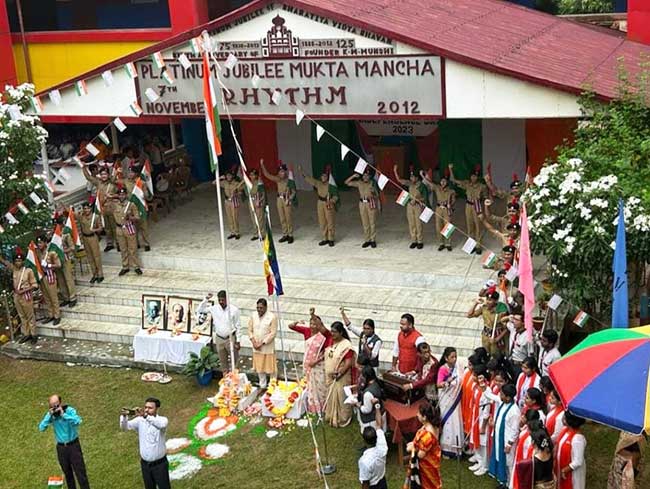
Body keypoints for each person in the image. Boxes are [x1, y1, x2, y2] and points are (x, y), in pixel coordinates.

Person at [39, 394, 90, 489]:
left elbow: (78, 421)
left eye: (56, 405)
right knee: (68, 474)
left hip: (73, 445)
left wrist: (64, 415)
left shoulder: (69, 410)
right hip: (61, 448)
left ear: (60, 403)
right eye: (52, 405)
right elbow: (41, 428)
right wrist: (49, 416)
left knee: (80, 473)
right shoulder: (51, 415)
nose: (55, 407)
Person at [120, 397, 170, 489]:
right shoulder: (140, 421)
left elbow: (161, 425)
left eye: (150, 408)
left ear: (157, 409)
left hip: (160, 465)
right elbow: (124, 427)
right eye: (146, 407)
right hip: (145, 465)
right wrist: (124, 416)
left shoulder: (162, 420)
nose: (147, 409)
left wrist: (146, 416)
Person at [289, 309, 332, 413]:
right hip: (308, 362)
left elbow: (326, 352)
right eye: (311, 323)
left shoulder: (324, 335)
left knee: (320, 386)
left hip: (319, 364)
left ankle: (323, 407)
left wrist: (316, 362)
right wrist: (297, 322)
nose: (313, 326)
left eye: (315, 324)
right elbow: (291, 326)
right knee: (310, 385)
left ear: (319, 325)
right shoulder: (306, 331)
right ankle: (313, 407)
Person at [197, 291, 241, 372]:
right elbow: (200, 310)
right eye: (219, 300)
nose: (221, 302)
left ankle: (235, 379)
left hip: (230, 338)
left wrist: (238, 341)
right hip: (219, 338)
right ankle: (226, 380)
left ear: (227, 299)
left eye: (223, 300)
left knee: (235, 361)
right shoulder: (214, 308)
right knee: (223, 361)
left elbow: (238, 326)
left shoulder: (234, 310)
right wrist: (206, 299)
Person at [0, 250, 38, 343]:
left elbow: (34, 285)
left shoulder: (28, 271)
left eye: (20, 261)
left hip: (26, 295)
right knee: (22, 315)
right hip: (17, 296)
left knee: (30, 315)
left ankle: (33, 334)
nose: (18, 262)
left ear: (23, 261)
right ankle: (26, 334)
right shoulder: (14, 270)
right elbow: (6, 263)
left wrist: (23, 290)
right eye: (16, 261)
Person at [449, 163, 486, 254]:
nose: (473, 178)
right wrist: (450, 169)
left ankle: (478, 246)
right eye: (472, 176)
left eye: (475, 176)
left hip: (477, 206)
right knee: (469, 226)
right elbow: (453, 180)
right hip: (468, 206)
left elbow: (486, 197)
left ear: (477, 177)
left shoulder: (482, 186)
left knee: (478, 226)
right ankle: (471, 245)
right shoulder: (467, 184)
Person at [489, 383, 521, 488]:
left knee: (509, 464)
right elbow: (492, 397)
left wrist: (509, 443)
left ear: (508, 397)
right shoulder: (503, 403)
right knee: (500, 460)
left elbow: (515, 430)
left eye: (502, 394)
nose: (500, 396)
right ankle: (504, 482)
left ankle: (511, 485)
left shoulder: (514, 411)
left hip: (507, 442)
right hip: (499, 439)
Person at [324, 321, 355, 427]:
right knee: (331, 396)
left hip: (341, 377)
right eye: (331, 331)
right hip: (330, 377)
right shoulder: (331, 341)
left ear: (341, 333)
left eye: (335, 332)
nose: (332, 333)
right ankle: (331, 416)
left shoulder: (346, 345)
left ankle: (343, 418)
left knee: (341, 398)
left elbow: (348, 363)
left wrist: (340, 373)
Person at [405, 401, 442, 489]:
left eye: (419, 413)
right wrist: (414, 444)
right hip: (429, 465)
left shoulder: (428, 435)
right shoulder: (428, 426)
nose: (417, 415)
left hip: (426, 468)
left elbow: (421, 455)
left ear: (424, 417)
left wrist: (412, 448)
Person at [300, 165, 338, 246]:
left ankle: (331, 238)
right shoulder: (318, 183)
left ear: (327, 177)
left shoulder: (331, 185)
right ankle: (325, 238)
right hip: (320, 203)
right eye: (322, 176)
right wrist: (302, 172)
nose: (323, 177)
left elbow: (336, 195)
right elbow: (309, 179)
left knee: (330, 220)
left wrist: (331, 201)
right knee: (322, 221)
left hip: (328, 202)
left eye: (325, 176)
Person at [82, 165, 117, 251]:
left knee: (114, 227)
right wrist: (83, 167)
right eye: (102, 174)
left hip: (113, 208)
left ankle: (119, 243)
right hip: (103, 208)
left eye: (105, 174)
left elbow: (120, 194)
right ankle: (110, 243)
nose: (103, 176)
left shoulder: (113, 182)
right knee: (107, 227)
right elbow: (89, 177)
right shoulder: (98, 182)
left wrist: (112, 196)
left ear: (108, 175)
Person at [393, 164, 428, 249]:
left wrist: (417, 199)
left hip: (417, 206)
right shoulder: (409, 183)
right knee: (411, 223)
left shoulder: (421, 186)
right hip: (409, 206)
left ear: (417, 178)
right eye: (411, 177)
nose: (411, 179)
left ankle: (420, 241)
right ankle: (414, 240)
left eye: (413, 177)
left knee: (418, 224)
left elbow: (425, 197)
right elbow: (399, 180)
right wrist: (395, 171)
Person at [261, 160, 296, 243]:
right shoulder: (277, 179)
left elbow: (294, 191)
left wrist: (290, 199)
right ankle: (285, 234)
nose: (281, 173)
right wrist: (262, 165)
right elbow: (267, 175)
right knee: (282, 217)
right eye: (280, 172)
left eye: (283, 172)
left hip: (286, 199)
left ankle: (290, 235)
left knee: (288, 217)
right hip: (279, 200)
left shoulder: (289, 180)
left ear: (285, 172)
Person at [436, 346, 462, 457]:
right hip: (446, 399)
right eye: (452, 357)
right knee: (447, 422)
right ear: (446, 358)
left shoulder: (458, 367)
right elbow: (438, 384)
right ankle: (447, 447)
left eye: (455, 356)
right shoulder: (443, 369)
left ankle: (456, 447)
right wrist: (448, 382)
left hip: (455, 400)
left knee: (456, 421)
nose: (455, 359)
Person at [421, 167, 456, 251]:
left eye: (444, 181)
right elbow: (429, 183)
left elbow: (454, 200)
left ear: (447, 182)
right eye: (441, 181)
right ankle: (441, 243)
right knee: (438, 226)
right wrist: (422, 175)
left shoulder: (451, 191)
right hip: (438, 208)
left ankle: (448, 243)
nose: (443, 182)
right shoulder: (437, 187)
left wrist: (450, 205)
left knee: (447, 226)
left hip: (446, 209)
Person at [345, 169, 380, 248]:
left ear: (369, 177)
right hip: (362, 203)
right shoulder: (359, 183)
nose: (365, 177)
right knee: (365, 222)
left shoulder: (372, 183)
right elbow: (346, 183)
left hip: (370, 203)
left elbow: (377, 196)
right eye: (364, 175)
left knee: (372, 222)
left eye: (367, 176)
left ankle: (373, 239)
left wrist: (373, 191)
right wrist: (353, 176)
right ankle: (367, 239)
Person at [112, 186, 143, 276]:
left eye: (123, 194)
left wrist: (130, 217)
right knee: (123, 249)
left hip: (129, 228)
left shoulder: (131, 205)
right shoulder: (115, 204)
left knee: (132, 248)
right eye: (120, 194)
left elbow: (137, 217)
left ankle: (136, 266)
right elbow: (104, 206)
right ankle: (125, 266)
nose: (121, 196)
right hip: (119, 229)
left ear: (126, 195)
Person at [247, 298, 278, 388]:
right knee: (260, 368)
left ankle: (272, 385)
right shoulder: (253, 316)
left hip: (267, 347)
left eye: (261, 308)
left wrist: (262, 343)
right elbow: (249, 330)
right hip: (256, 346)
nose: (259, 310)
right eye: (258, 308)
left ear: (265, 307)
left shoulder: (272, 317)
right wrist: (253, 342)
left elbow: (273, 333)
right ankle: (262, 385)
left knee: (271, 368)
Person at [341, 309, 382, 374]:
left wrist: (365, 345)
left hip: (371, 369)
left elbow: (372, 356)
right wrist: (343, 314)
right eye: (364, 328)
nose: (366, 331)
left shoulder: (377, 341)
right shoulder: (362, 334)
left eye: (368, 329)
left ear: (373, 329)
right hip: (361, 367)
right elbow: (350, 326)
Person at [121, 163, 152, 251]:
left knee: (143, 226)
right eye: (129, 172)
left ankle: (146, 243)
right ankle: (136, 243)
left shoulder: (141, 182)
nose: (130, 174)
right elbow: (113, 181)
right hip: (131, 207)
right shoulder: (126, 181)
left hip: (140, 206)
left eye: (132, 172)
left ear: (136, 173)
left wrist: (144, 194)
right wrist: (116, 172)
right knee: (134, 226)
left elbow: (147, 195)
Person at [467, 290, 507, 356]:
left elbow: (506, 328)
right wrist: (476, 303)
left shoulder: (501, 310)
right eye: (487, 299)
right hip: (486, 336)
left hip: (496, 337)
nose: (488, 302)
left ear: (496, 301)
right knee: (485, 354)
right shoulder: (484, 308)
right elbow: (469, 315)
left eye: (490, 300)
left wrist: (497, 339)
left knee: (496, 356)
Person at [358, 403, 388, 489]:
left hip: (373, 486)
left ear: (364, 441)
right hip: (382, 481)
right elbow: (379, 424)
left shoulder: (364, 461)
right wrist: (377, 406)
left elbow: (365, 483)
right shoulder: (382, 446)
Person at [555, 411, 587, 489]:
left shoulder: (577, 439)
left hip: (572, 474)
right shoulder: (566, 431)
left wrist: (565, 470)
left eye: (564, 417)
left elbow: (578, 461)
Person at [36, 235, 62, 325]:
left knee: (53, 297)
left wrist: (49, 265)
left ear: (45, 243)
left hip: (50, 276)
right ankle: (51, 315)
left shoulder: (51, 252)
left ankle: (57, 315)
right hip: (43, 277)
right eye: (38, 243)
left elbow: (58, 265)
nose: (39, 245)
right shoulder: (38, 253)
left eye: (41, 243)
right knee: (47, 297)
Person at [79, 200, 104, 283]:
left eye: (88, 208)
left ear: (91, 209)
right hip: (85, 238)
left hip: (93, 237)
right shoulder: (81, 216)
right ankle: (94, 274)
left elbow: (100, 228)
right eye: (85, 209)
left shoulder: (95, 217)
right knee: (90, 257)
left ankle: (100, 274)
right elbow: (71, 215)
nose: (86, 210)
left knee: (96, 256)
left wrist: (94, 230)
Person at [355, 365, 385, 433]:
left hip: (371, 421)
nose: (361, 377)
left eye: (362, 376)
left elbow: (367, 410)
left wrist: (358, 405)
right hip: (379, 415)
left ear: (366, 377)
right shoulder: (377, 383)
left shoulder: (368, 393)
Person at [56, 213, 78, 307]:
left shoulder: (66, 234)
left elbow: (72, 247)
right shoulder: (55, 236)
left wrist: (63, 251)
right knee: (61, 280)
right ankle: (66, 297)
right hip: (57, 260)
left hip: (65, 258)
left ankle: (73, 297)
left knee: (68, 278)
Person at [219, 170, 244, 240]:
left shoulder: (236, 183)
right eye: (227, 175)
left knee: (234, 217)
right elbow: (214, 183)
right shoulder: (224, 183)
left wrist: (236, 193)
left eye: (229, 175)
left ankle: (237, 232)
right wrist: (220, 178)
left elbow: (241, 192)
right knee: (229, 217)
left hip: (234, 201)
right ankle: (232, 232)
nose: (228, 177)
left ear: (232, 176)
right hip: (227, 201)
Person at [247, 168, 267, 240]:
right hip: (251, 201)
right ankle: (256, 234)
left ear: (256, 175)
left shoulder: (259, 182)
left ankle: (262, 234)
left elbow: (263, 194)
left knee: (260, 218)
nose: (251, 176)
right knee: (253, 218)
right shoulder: (249, 182)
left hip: (258, 201)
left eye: (253, 175)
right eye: (250, 175)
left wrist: (260, 201)